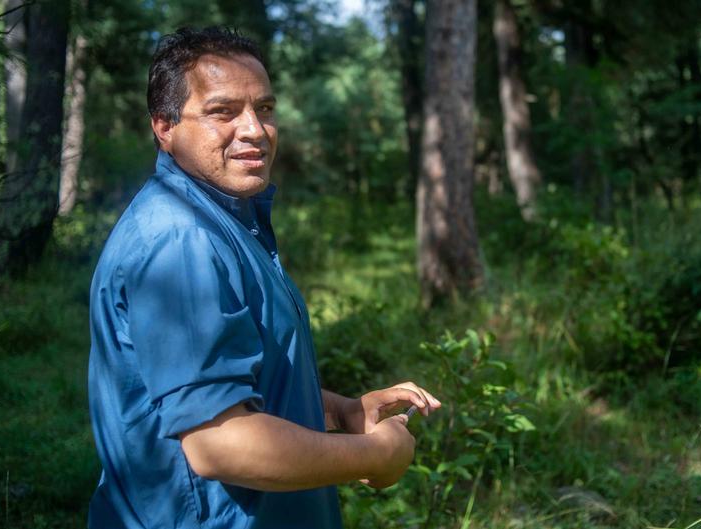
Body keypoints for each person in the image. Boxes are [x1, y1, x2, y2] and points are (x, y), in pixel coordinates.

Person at [86, 26, 440, 529]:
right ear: (164, 127)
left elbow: (239, 379)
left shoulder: (224, 220)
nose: (254, 129)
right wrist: (373, 456)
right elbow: (220, 443)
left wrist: (342, 413)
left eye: (265, 109)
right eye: (223, 112)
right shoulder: (180, 241)